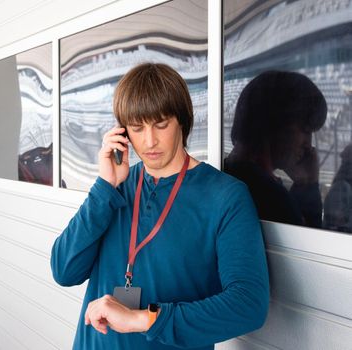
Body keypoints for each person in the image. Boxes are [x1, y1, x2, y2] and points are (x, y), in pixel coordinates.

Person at [51, 63, 269, 350]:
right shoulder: (116, 188)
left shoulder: (226, 197)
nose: (149, 141)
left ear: (182, 120)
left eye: (161, 124)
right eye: (137, 128)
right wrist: (105, 186)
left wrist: (143, 319)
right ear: (123, 133)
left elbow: (248, 305)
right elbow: (64, 270)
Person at [224, 71, 327, 229]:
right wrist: (308, 185)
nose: (308, 144)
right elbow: (313, 246)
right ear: (275, 124)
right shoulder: (269, 197)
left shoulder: (224, 176)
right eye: (305, 130)